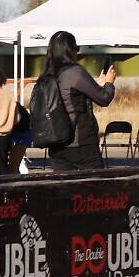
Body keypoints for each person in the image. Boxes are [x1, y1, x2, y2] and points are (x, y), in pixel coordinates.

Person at [42, 30, 116, 171]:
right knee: (96, 182)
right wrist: (109, 83)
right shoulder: (74, 71)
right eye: (76, 48)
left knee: (65, 184)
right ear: (70, 50)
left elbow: (69, 97)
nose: (77, 52)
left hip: (56, 143)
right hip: (80, 141)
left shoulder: (47, 75)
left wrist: (97, 85)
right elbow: (104, 98)